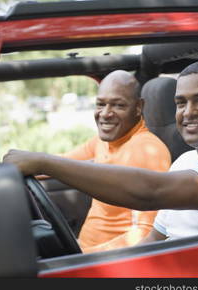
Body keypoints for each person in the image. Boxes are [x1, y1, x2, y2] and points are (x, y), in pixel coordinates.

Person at [3, 62, 198, 245]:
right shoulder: (186, 161)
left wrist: (42, 161)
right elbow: (153, 241)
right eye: (180, 103)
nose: (188, 112)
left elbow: (150, 193)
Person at [37, 70, 171, 253]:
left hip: (107, 261)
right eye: (100, 104)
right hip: (83, 250)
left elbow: (146, 233)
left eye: (118, 105)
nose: (105, 114)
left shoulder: (146, 150)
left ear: (138, 107)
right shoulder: (103, 141)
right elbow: (58, 164)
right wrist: (17, 167)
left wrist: (84, 256)